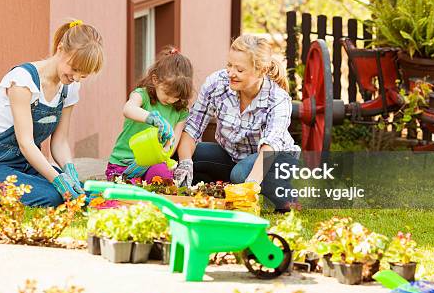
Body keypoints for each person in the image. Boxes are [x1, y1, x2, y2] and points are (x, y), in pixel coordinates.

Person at [0, 20, 104, 207]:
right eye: (74, 69)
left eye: (83, 75)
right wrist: (58, 180)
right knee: (54, 196)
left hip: (25, 165)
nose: (76, 78)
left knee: (84, 190)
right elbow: (26, 143)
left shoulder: (69, 89)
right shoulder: (23, 81)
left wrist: (69, 172)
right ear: (60, 49)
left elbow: (60, 141)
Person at [174, 34, 300, 211]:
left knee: (241, 175)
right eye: (229, 65)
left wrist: (249, 187)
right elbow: (193, 126)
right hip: (233, 156)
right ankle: (221, 189)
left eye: (239, 70)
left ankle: (288, 196)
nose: (231, 73)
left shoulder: (278, 99)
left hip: (275, 159)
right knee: (181, 154)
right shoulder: (216, 83)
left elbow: (269, 147)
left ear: (261, 71)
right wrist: (185, 162)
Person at [106, 47, 193, 181]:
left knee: (162, 178)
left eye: (176, 97)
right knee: (128, 196)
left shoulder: (180, 111)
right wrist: (151, 118)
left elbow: (172, 144)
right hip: (124, 164)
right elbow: (128, 109)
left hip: (152, 164)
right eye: (167, 93)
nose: (170, 100)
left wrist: (167, 147)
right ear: (155, 80)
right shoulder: (143, 95)